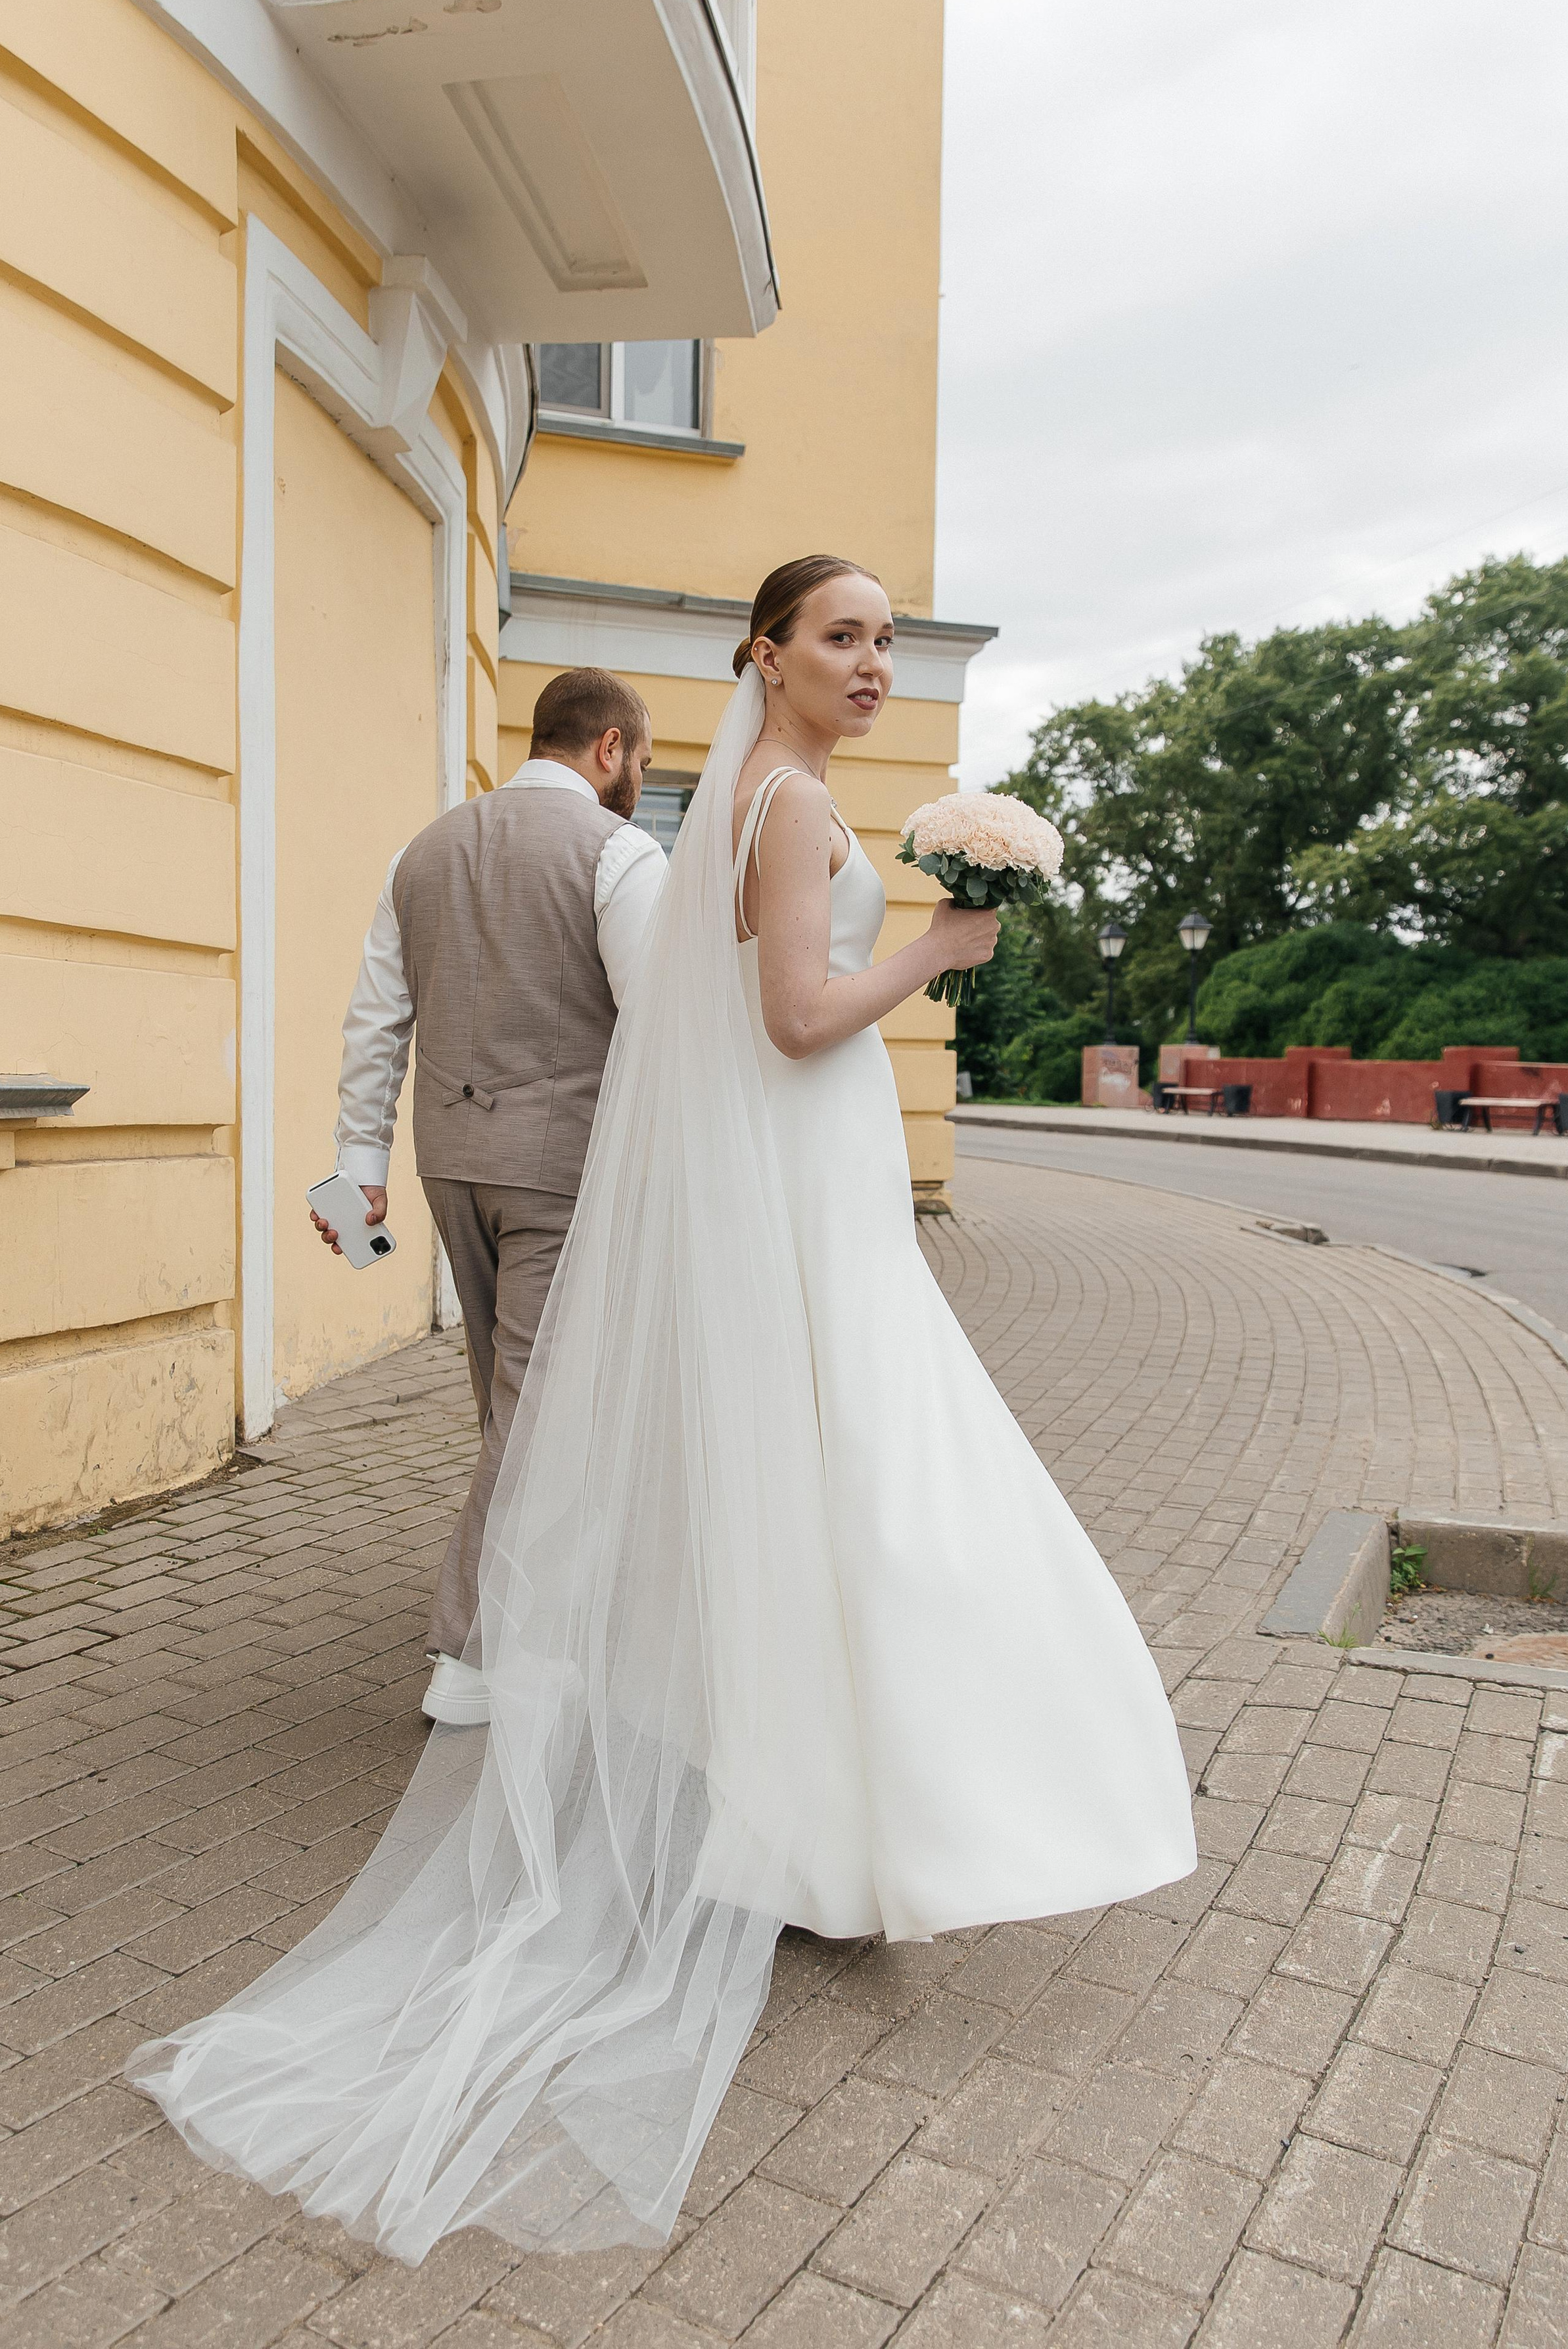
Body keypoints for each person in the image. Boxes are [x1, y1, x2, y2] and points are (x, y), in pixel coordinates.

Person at [132, 555, 1196, 2264]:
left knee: (762, 1484)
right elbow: (766, 1018)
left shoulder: (513, 837)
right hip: (658, 1182)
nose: (869, 662)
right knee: (785, 1483)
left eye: (882, 641)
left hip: (492, 1163)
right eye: (840, 636)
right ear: (749, 663)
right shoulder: (744, 822)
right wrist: (936, 945)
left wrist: (363, 1162)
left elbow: (398, 1013)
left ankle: (805, 1817)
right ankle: (786, 1790)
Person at [311, 667, 666, 1727]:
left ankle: (536, 1606)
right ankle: (471, 1651)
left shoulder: (416, 853)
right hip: (562, 1167)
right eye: (642, 760)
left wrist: (353, 1176)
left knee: (511, 1392)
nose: (639, 778)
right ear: (609, 747)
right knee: (537, 1400)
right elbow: (654, 1028)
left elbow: (374, 1025)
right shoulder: (620, 854)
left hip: (446, 1162)